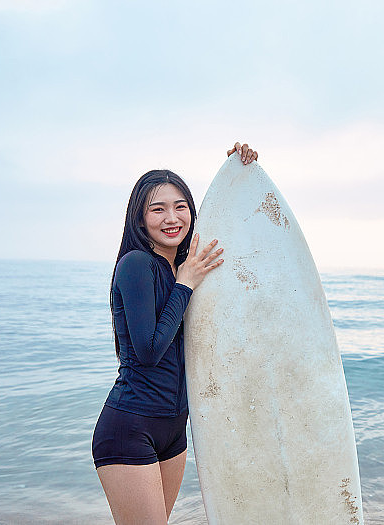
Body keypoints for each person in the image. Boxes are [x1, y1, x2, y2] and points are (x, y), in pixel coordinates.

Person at [91, 142, 259, 524]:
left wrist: (240, 170)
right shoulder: (137, 265)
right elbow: (149, 350)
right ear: (140, 217)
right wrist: (185, 285)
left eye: (180, 206)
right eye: (158, 208)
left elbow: (240, 241)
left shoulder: (185, 266)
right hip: (130, 428)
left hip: (174, 429)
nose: (172, 217)